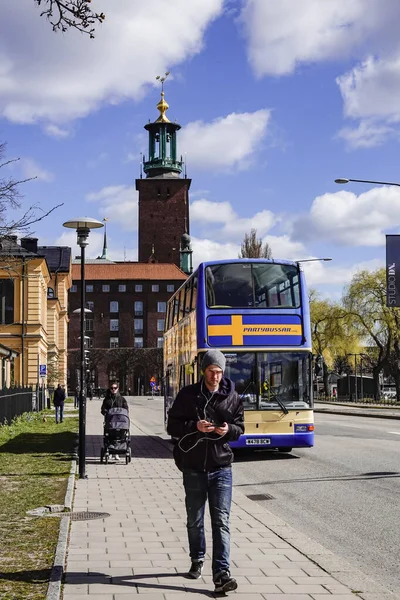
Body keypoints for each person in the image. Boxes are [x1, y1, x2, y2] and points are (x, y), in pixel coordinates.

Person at [167, 349, 244, 594]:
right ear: (204, 371)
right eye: (212, 371)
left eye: (220, 372)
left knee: (221, 521)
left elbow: (240, 427)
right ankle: (197, 558)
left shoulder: (232, 396)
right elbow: (172, 425)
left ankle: (222, 574)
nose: (216, 377)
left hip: (221, 467)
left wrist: (228, 431)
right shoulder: (188, 395)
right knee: (195, 520)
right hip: (193, 468)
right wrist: (195, 426)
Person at [101, 381, 129, 460]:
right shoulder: (107, 399)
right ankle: (109, 451)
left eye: (115, 388)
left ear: (118, 389)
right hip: (109, 421)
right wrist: (106, 412)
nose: (113, 390)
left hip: (120, 422)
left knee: (119, 436)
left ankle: (117, 452)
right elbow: (103, 409)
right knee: (109, 436)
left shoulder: (121, 399)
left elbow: (126, 408)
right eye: (112, 388)